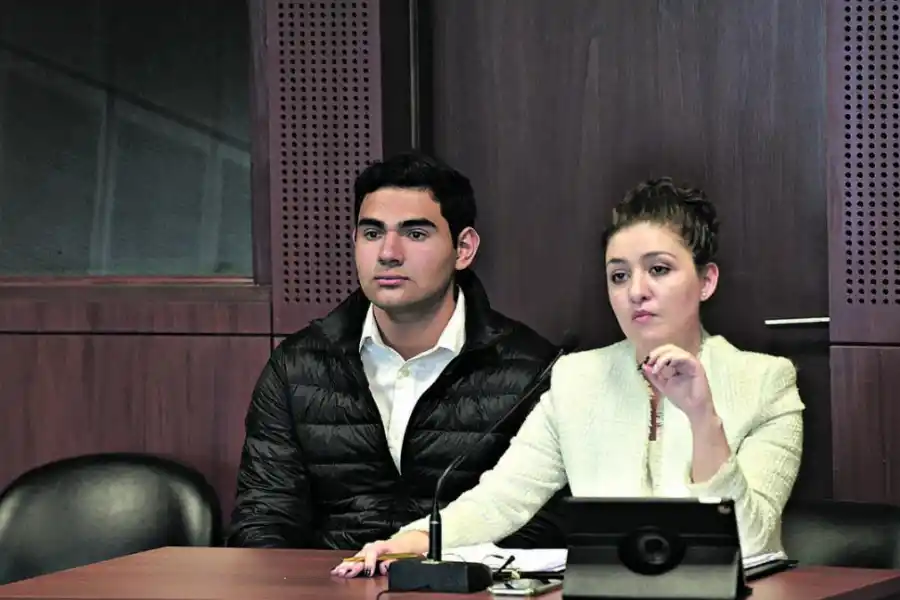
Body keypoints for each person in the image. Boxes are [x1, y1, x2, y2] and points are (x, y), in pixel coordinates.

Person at [332, 177, 805, 577]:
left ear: (706, 281)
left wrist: (703, 417)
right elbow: (503, 498)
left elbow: (753, 542)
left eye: (659, 270)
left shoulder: (765, 383)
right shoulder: (577, 377)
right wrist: (408, 542)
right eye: (619, 276)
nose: (636, 291)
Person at [227, 151, 569, 550]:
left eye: (415, 234)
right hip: (329, 580)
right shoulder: (297, 367)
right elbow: (263, 521)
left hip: (463, 582)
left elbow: (543, 529)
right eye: (372, 234)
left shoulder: (531, 371)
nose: (388, 253)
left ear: (463, 248)